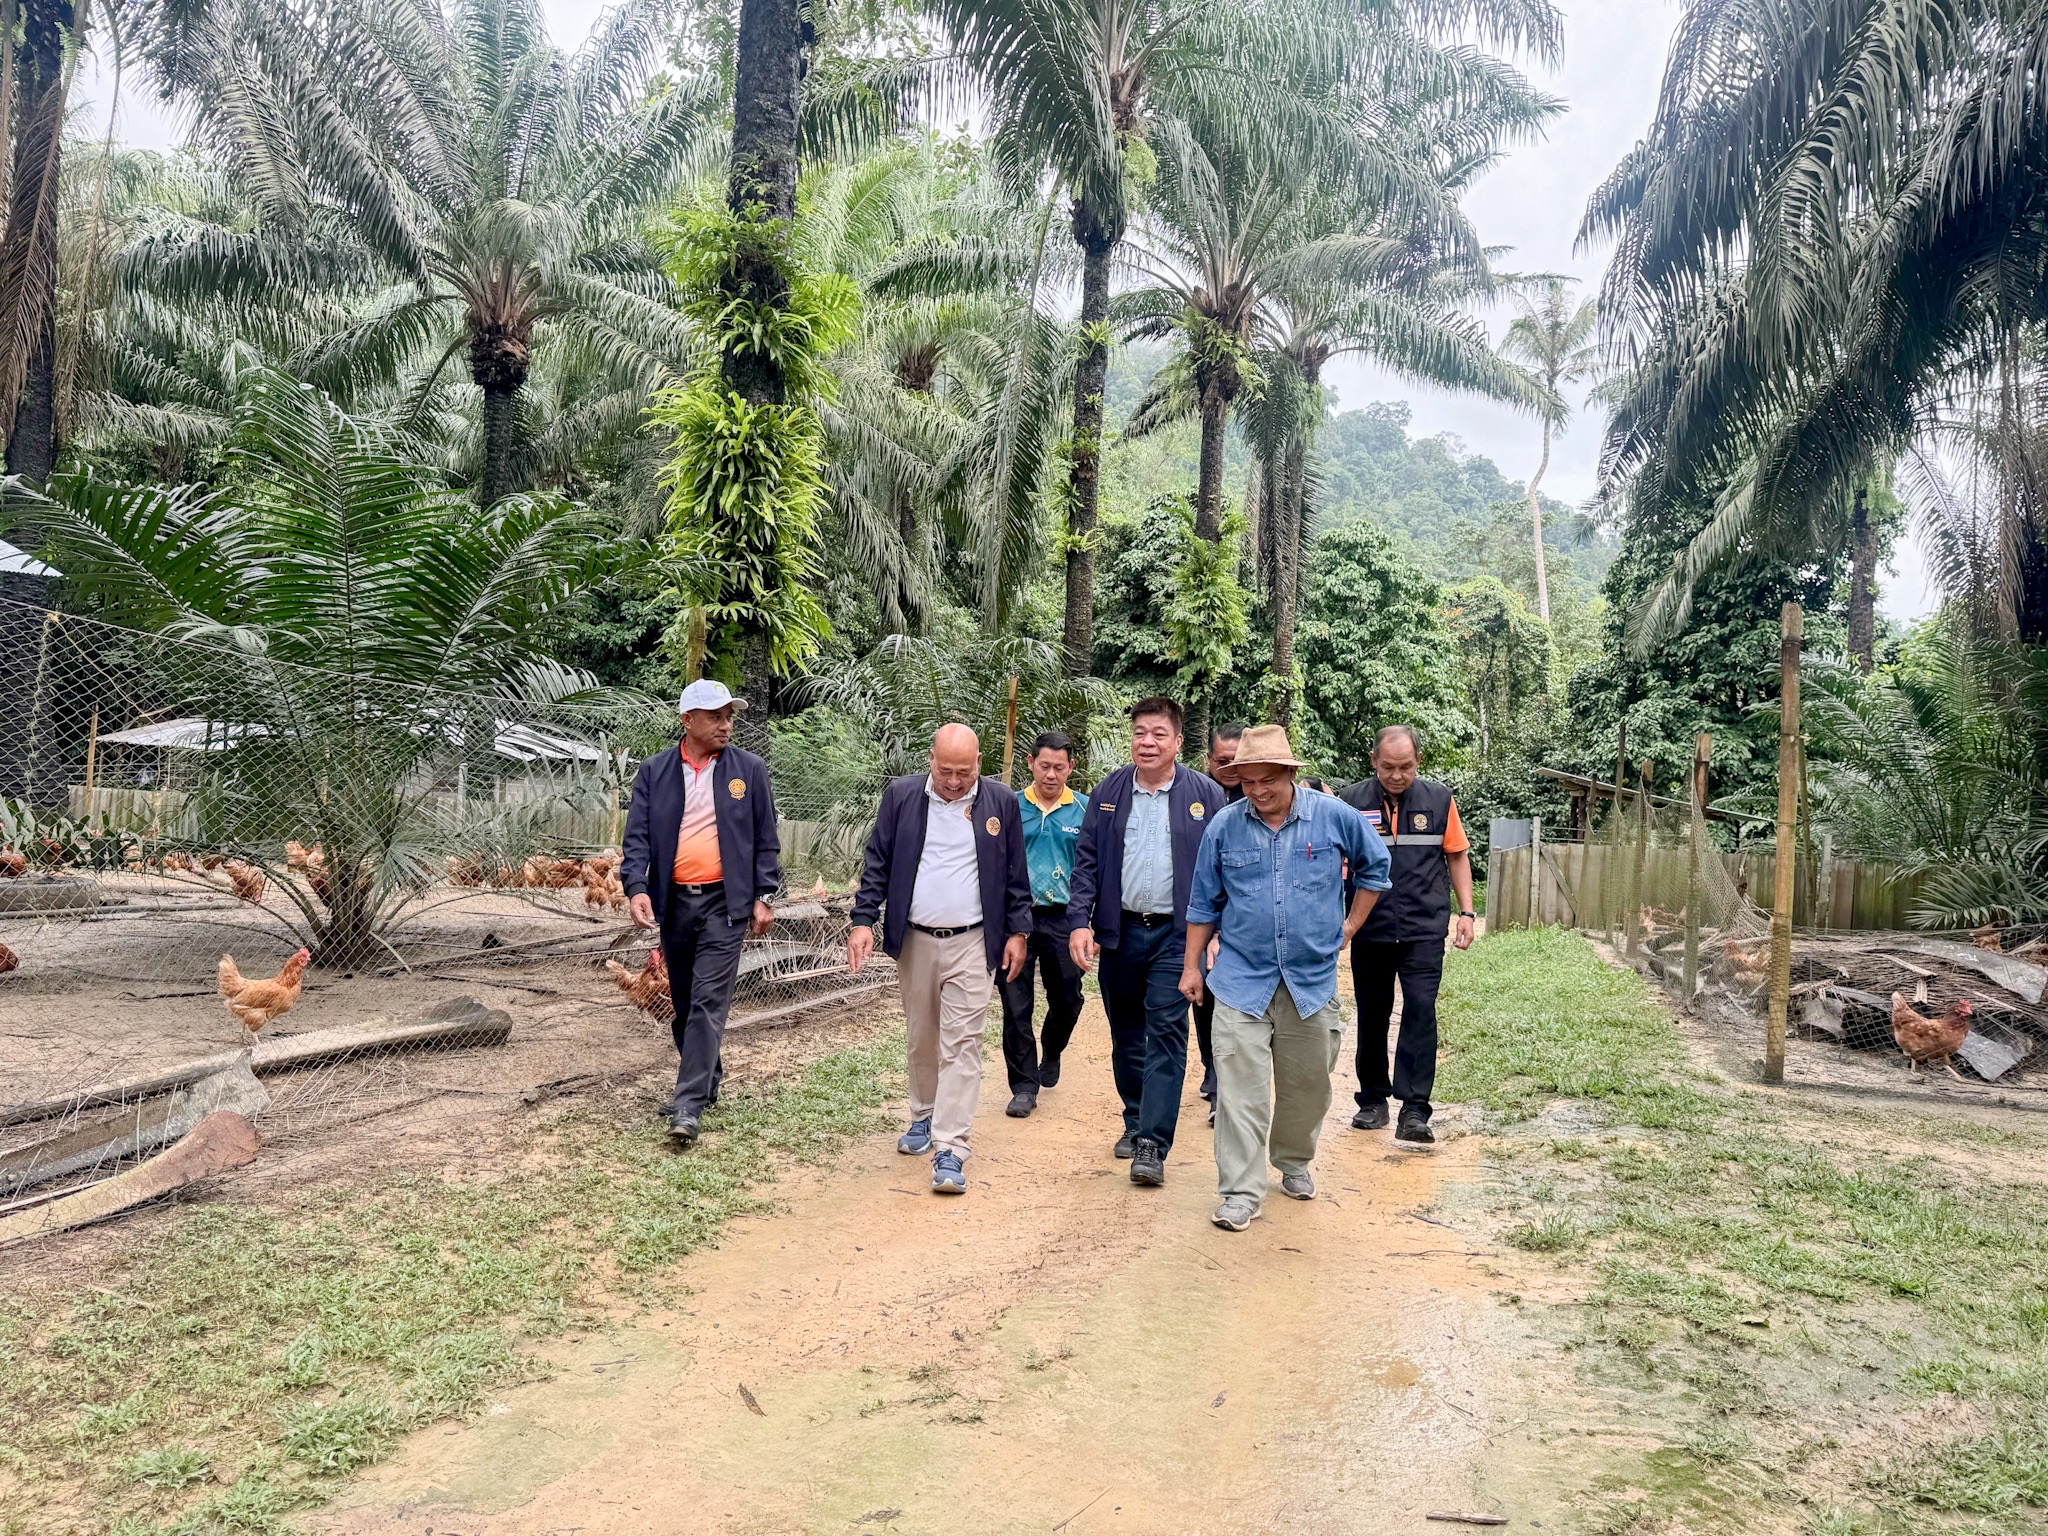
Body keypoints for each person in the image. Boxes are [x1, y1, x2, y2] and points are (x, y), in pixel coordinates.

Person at [1180, 724, 1391, 1231]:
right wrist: (1191, 966)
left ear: (1289, 773)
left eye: (1267, 780)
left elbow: (1376, 868)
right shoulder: (1224, 827)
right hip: (1240, 980)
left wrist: (1351, 925)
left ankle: (1293, 1160)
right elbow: (1202, 902)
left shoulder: (1334, 815)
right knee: (1239, 1095)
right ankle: (1239, 1192)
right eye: (1247, 781)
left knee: (1308, 1088)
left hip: (1310, 982)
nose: (1257, 791)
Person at [848, 725, 1030, 1195]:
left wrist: (1017, 932)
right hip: (916, 940)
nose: (953, 780)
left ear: (979, 763)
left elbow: (1015, 874)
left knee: (963, 1043)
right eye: (945, 770)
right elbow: (878, 862)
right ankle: (924, 1116)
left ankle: (952, 1147)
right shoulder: (902, 796)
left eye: (963, 772)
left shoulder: (1001, 802)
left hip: (974, 940)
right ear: (930, 759)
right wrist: (863, 920)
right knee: (922, 1037)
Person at [1069, 697, 1227, 1187]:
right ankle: (1135, 1116)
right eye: (1140, 733)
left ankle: (1152, 1144)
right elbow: (1087, 861)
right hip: (1119, 933)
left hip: (1178, 936)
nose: (1148, 742)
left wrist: (1218, 932)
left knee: (1166, 1032)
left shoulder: (1205, 796)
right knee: (1126, 1031)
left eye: (1159, 734)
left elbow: (1223, 868)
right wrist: (1080, 922)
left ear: (1178, 742)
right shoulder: (1109, 792)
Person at [621, 679, 780, 1147]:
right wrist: (636, 888)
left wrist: (764, 895)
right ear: (687, 720)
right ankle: (707, 1079)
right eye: (715, 717)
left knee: (709, 1002)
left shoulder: (748, 771)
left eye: (729, 716)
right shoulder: (655, 772)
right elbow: (637, 838)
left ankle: (687, 1104)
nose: (726, 725)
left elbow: (766, 839)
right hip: (674, 904)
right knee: (686, 1004)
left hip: (725, 904)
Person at [1338, 724, 1476, 1149]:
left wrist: (1466, 913)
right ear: (1374, 762)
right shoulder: (1349, 801)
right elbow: (1335, 863)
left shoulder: (1439, 799)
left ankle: (1414, 1109)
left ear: (1418, 762)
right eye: (1388, 767)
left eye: (1406, 767)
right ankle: (1372, 1100)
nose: (1397, 775)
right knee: (1372, 1013)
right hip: (1370, 928)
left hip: (1423, 929)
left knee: (1420, 1010)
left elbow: (1457, 856)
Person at [998, 732, 1087, 1117]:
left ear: (1070, 768)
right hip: (1016, 918)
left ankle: (1052, 1049)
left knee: (1068, 998)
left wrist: (1090, 921)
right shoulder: (1010, 806)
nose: (1051, 774)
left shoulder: (1084, 810)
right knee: (1015, 1002)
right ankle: (1023, 1086)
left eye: (1059, 767)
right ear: (1031, 763)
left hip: (1065, 918)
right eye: (1044, 766)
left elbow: (1093, 867)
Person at [1192, 723, 1247, 1119]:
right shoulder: (1192, 796)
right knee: (1204, 995)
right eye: (1221, 760)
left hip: (1244, 918)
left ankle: (1230, 1082)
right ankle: (1212, 1073)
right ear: (1208, 760)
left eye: (1237, 761)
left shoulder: (1261, 796)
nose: (1229, 768)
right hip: (1201, 913)